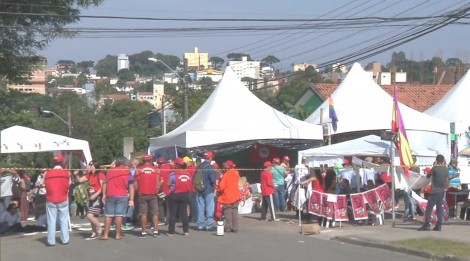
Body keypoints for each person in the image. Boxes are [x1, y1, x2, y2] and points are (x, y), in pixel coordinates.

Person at [100, 156, 135, 240]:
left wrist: (104, 194)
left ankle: (105, 235)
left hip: (110, 194)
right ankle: (117, 234)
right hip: (122, 195)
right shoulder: (127, 172)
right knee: (119, 215)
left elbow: (105, 183)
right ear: (123, 163)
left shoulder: (110, 171)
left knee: (108, 215)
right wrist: (131, 199)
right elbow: (131, 186)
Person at [74, 161, 106, 240]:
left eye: (91, 165)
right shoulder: (89, 174)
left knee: (90, 215)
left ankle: (99, 228)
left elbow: (103, 187)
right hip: (91, 195)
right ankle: (94, 231)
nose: (89, 166)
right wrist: (76, 174)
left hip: (97, 196)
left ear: (95, 166)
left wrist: (96, 195)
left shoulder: (100, 174)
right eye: (89, 165)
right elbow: (80, 180)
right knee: (92, 215)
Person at [44, 154, 71, 246]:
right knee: (63, 219)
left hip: (51, 198)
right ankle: (65, 239)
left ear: (54, 162)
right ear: (62, 162)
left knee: (51, 221)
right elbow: (69, 184)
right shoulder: (66, 173)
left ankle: (51, 241)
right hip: (63, 198)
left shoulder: (47, 173)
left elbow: (45, 184)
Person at [418, 154, 449, 232]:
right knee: (439, 209)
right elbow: (447, 180)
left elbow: (428, 176)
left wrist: (434, 166)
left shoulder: (434, 168)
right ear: (443, 160)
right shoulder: (446, 169)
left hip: (434, 191)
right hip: (441, 191)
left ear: (436, 160)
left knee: (429, 209)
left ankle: (427, 224)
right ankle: (439, 225)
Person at [134, 154, 160, 238]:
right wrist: (156, 190)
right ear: (151, 160)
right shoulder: (156, 169)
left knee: (143, 213)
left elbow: (135, 184)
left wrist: (138, 191)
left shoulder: (138, 170)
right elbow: (158, 183)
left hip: (142, 194)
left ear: (143, 161)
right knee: (155, 213)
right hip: (153, 194)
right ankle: (155, 231)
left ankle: (144, 232)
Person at [167, 158, 192, 236]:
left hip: (174, 194)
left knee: (173, 214)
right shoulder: (188, 174)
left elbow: (168, 184)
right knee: (184, 213)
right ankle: (186, 231)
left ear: (177, 165)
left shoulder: (173, 174)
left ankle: (171, 232)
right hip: (185, 195)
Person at [195, 151, 217, 231]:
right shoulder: (210, 167)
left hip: (199, 189)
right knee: (209, 207)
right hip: (208, 190)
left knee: (200, 207)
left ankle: (200, 225)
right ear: (211, 158)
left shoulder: (199, 166)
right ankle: (209, 225)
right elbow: (213, 180)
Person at [217, 160, 240, 233]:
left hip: (227, 196)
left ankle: (228, 227)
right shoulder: (236, 173)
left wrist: (219, 183)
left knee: (228, 212)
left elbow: (221, 187)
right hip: (235, 195)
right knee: (234, 212)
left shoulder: (226, 175)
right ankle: (235, 227)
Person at [157, 157, 171, 225]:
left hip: (161, 189)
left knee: (161, 204)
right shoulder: (169, 167)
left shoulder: (158, 169)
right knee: (168, 205)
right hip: (169, 189)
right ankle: (168, 219)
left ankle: (162, 218)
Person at [184, 156, 198, 223]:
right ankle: (193, 217)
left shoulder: (188, 169)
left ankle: (194, 217)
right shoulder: (195, 167)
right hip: (194, 188)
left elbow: (189, 179)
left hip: (190, 188)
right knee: (193, 203)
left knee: (192, 203)